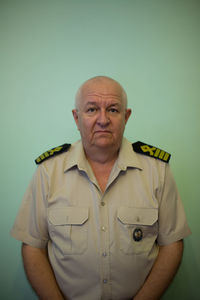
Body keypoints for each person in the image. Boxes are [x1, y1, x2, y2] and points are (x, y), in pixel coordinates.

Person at [11, 76, 191, 300]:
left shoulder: (158, 170)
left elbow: (171, 245)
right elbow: (32, 246)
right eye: (92, 109)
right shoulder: (48, 172)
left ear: (126, 117)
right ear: (77, 118)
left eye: (113, 110)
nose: (103, 120)